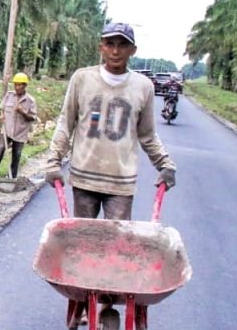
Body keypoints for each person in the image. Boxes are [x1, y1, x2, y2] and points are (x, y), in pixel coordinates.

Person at [44, 22, 176, 221]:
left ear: (133, 50)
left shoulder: (143, 87)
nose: (115, 51)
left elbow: (147, 134)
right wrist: (53, 162)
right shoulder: (82, 79)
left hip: (121, 182)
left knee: (116, 244)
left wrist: (165, 165)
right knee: (85, 242)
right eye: (110, 44)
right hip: (84, 178)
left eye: (123, 45)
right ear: (101, 47)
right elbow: (66, 123)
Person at [0, 72, 38, 178]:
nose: (17, 87)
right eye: (15, 84)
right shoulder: (9, 95)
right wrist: (2, 116)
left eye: (20, 85)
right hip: (7, 129)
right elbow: (2, 108)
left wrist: (22, 112)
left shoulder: (30, 100)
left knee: (16, 154)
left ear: (25, 85)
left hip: (20, 132)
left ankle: (12, 175)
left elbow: (32, 118)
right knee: (0, 148)